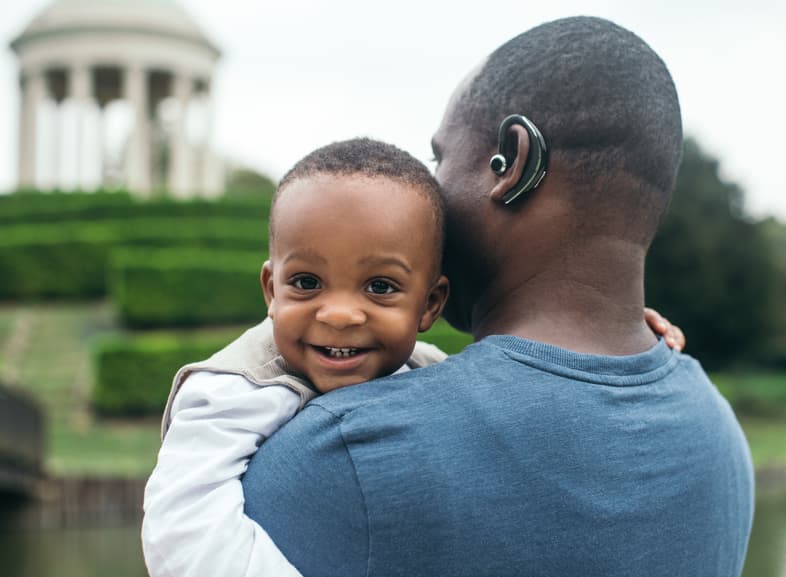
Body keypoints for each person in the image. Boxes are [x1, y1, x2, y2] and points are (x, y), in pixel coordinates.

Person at [241, 15, 754, 577]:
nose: (428, 193)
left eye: (440, 159)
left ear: (514, 163)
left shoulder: (343, 455)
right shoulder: (720, 433)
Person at [141, 136, 681, 577]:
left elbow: (520, 373)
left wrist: (617, 324)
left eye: (379, 287)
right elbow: (182, 532)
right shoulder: (230, 389)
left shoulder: (420, 364)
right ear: (270, 289)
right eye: (306, 282)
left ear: (430, 305)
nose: (340, 314)